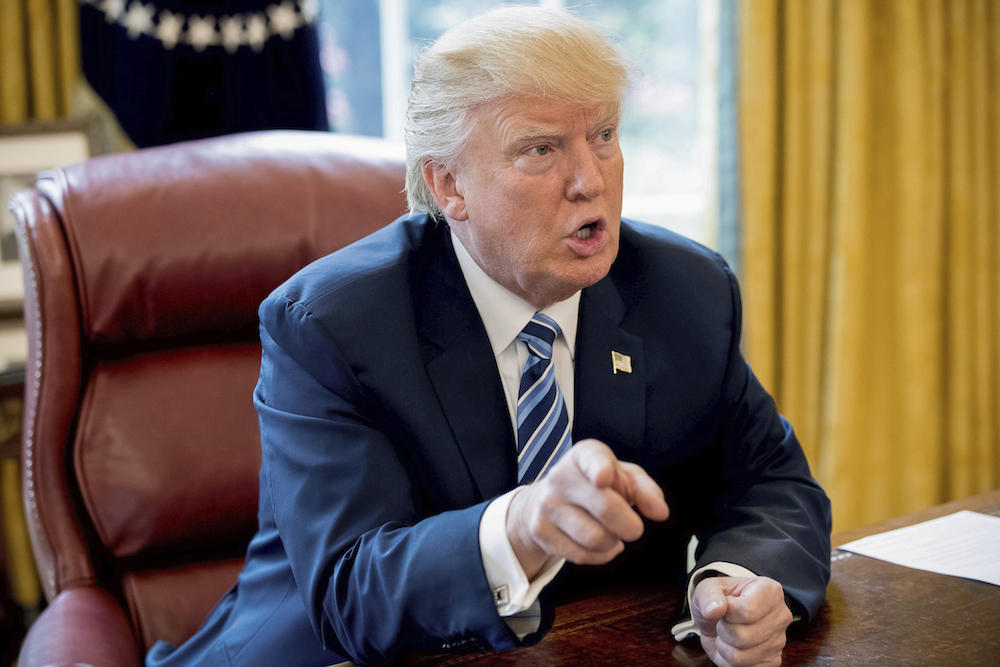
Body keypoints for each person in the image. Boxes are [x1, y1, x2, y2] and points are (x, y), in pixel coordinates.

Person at [148, 6, 831, 667]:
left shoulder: (684, 290)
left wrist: (736, 581)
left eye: (603, 135)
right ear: (449, 185)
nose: (590, 180)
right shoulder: (333, 325)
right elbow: (352, 592)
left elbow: (772, 482)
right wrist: (520, 528)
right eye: (541, 149)